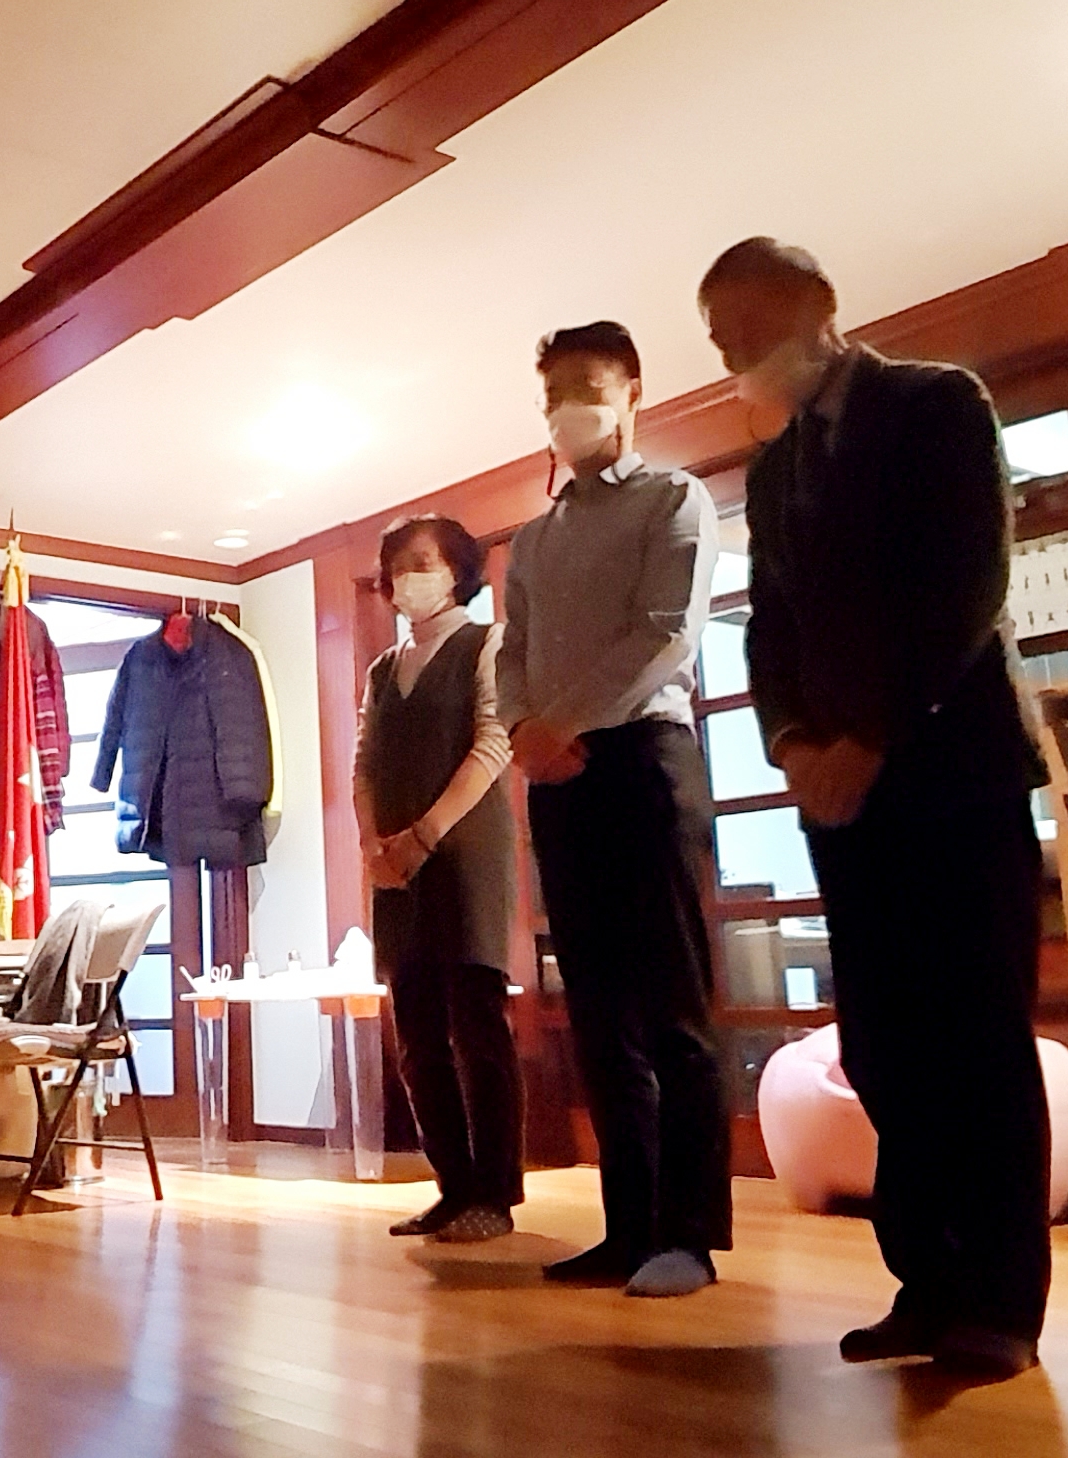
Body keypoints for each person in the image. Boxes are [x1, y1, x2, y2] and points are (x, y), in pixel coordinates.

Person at [699, 237, 1050, 1377]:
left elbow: (967, 585)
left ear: (820, 305)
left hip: (951, 771)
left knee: (976, 1038)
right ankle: (926, 1284)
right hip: (842, 801)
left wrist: (871, 736)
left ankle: (1000, 1304)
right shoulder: (774, 471)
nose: (736, 354)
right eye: (720, 338)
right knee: (888, 1047)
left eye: (750, 327)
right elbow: (770, 630)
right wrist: (794, 743)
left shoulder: (937, 403)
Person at [498, 320, 732, 1299]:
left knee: (673, 1004)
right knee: (596, 1011)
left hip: (644, 760)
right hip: (558, 776)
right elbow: (511, 652)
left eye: (587, 388)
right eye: (554, 392)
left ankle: (689, 1237)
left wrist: (563, 723)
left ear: (633, 391)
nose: (569, 409)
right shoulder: (535, 538)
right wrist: (525, 729)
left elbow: (666, 633)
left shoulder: (674, 499)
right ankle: (626, 1226)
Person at [357, 514, 524, 1244]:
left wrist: (425, 834)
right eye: (396, 567)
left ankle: (495, 1192)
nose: (405, 579)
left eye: (421, 563)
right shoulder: (380, 670)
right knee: (417, 1035)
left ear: (458, 570)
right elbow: (364, 763)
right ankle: (452, 1187)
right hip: (397, 865)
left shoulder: (487, 643)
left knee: (477, 1026)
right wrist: (374, 843)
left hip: (465, 855)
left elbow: (494, 744)